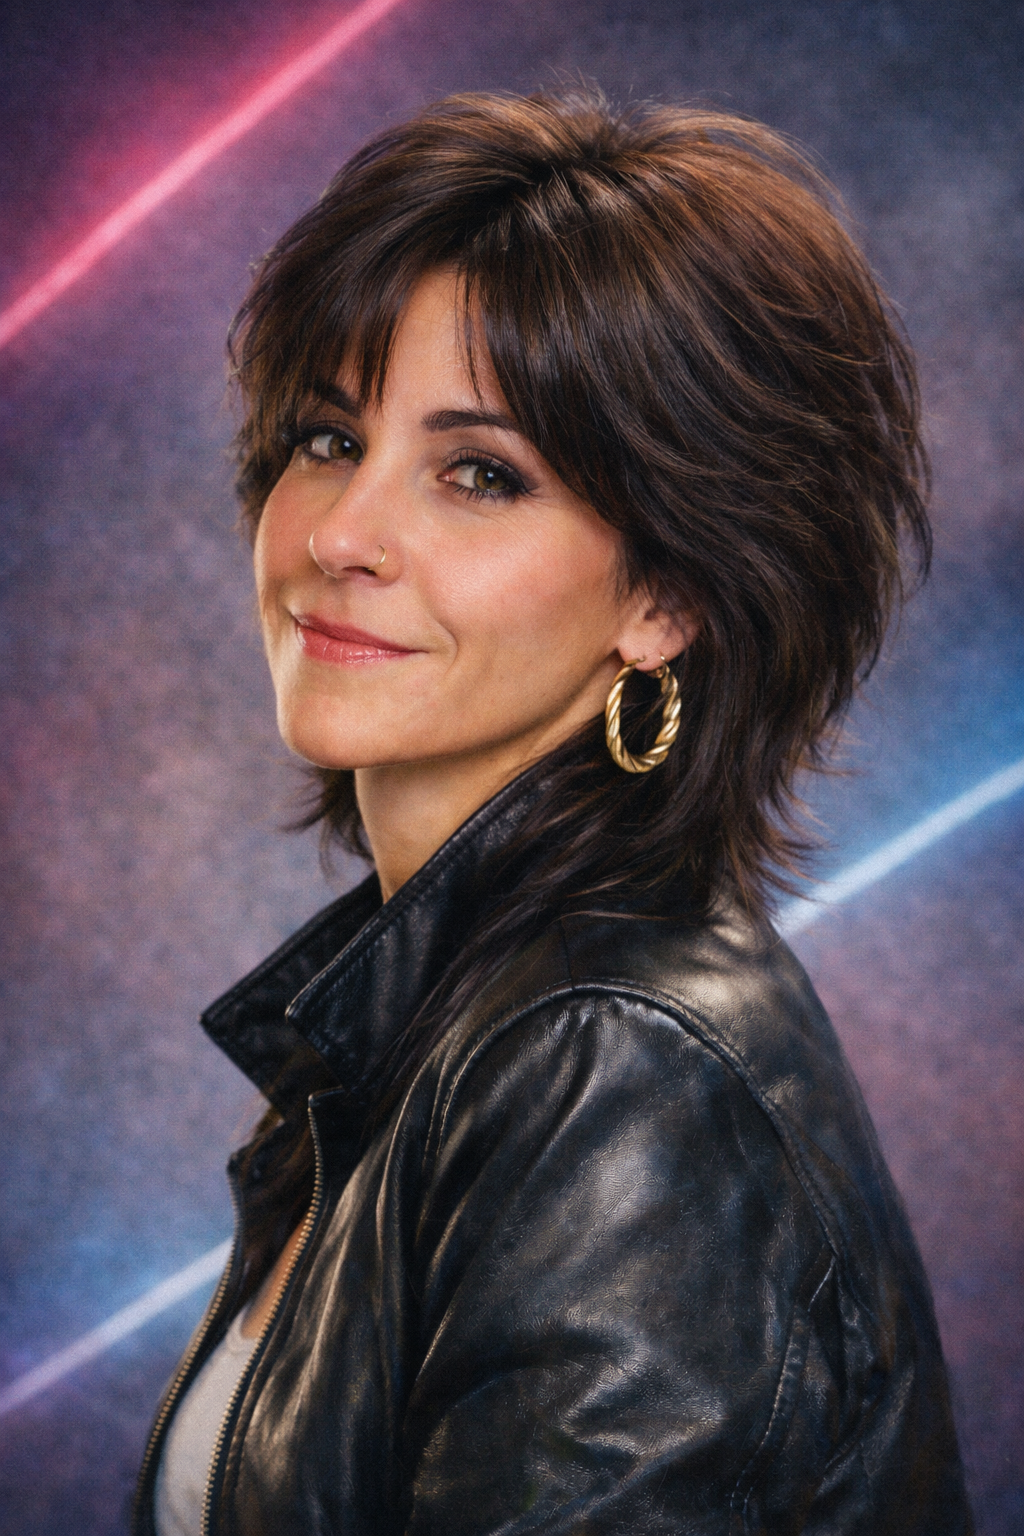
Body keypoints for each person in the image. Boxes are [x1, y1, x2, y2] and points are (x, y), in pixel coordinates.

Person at [135, 88, 972, 1535]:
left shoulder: (614, 1068)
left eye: (479, 474)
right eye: (331, 438)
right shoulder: (437, 1024)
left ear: (668, 596)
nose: (340, 534)